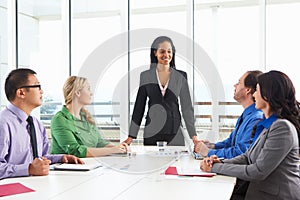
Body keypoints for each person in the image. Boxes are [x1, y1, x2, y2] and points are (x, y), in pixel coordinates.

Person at [201, 70, 300, 200]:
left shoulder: (282, 128)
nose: (254, 95)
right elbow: (247, 157)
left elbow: (258, 171)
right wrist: (219, 161)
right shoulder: (269, 125)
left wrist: (215, 168)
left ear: (267, 94)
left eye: (257, 90)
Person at [0, 68, 83, 180]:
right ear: (21, 92)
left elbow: (40, 158)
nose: (42, 91)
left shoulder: (36, 123)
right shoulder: (3, 123)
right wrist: (28, 169)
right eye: (37, 86)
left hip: (36, 185)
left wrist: (61, 158)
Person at [123, 36, 198, 146]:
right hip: (152, 132)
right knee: (152, 163)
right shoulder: (146, 76)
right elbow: (139, 107)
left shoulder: (181, 76)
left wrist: (194, 136)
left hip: (175, 132)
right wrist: (131, 136)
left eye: (169, 51)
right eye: (162, 51)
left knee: (175, 163)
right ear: (155, 53)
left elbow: (187, 108)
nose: (166, 55)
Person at [51, 76, 128, 158]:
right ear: (78, 93)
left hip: (90, 166)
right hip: (67, 169)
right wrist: (114, 150)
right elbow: (76, 151)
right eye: (88, 89)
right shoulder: (60, 120)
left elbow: (99, 143)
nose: (91, 93)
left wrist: (120, 148)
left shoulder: (86, 117)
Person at [194, 71, 263, 158]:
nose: (235, 85)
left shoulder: (256, 119)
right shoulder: (246, 116)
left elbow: (241, 153)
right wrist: (212, 146)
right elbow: (231, 142)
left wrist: (208, 152)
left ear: (248, 90)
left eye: (239, 83)